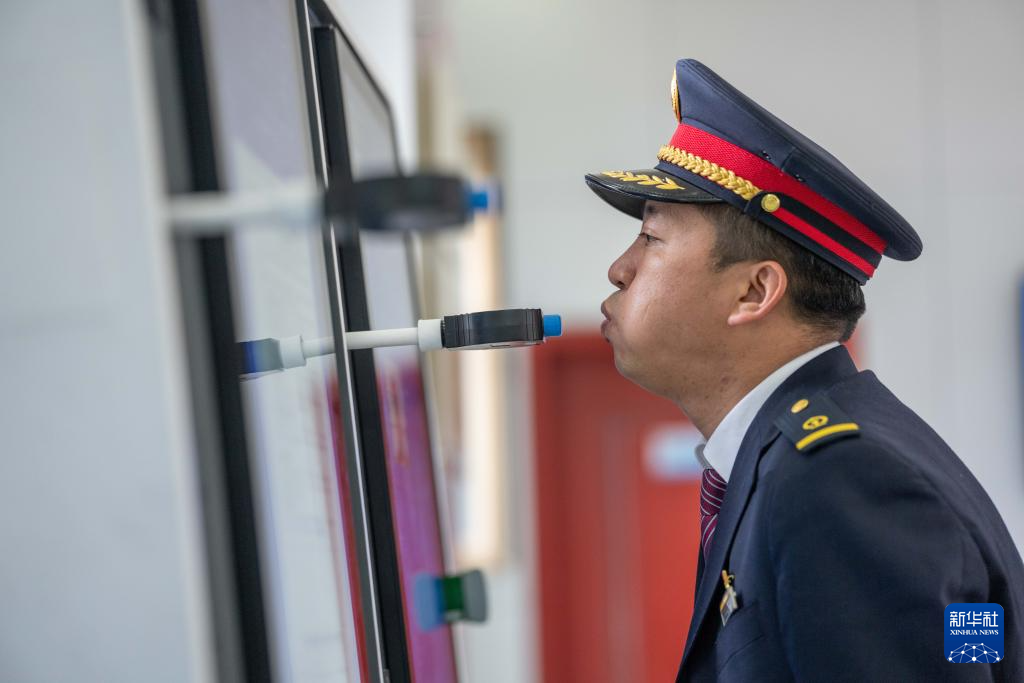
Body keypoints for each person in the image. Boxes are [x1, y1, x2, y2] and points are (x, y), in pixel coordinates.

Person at [585, 58, 1024, 681]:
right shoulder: (811, 459)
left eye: (651, 239)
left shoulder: (838, 480)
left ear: (754, 292)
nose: (619, 270)